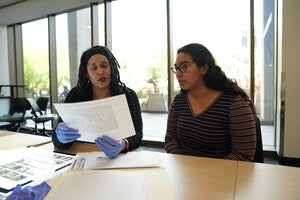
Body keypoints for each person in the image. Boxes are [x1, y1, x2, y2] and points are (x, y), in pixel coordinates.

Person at [165, 43, 257, 161]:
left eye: (184, 66)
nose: (178, 74)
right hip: (185, 172)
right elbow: (170, 139)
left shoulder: (234, 104)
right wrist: (183, 162)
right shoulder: (179, 101)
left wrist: (205, 171)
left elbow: (243, 154)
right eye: (177, 68)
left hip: (222, 174)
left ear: (203, 68)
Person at [52, 45, 143, 158]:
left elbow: (138, 136)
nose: (100, 72)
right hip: (83, 155)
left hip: (119, 158)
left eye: (104, 66)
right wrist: (59, 137)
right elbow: (58, 143)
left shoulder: (128, 95)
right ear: (86, 73)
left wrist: (123, 144)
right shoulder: (76, 95)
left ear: (112, 68)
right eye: (94, 68)